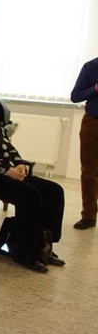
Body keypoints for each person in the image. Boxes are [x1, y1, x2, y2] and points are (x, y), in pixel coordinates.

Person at [0, 83, 66, 273]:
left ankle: (44, 246)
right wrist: (6, 170)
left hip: (5, 171)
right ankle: (24, 250)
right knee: (29, 194)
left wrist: (19, 164)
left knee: (54, 190)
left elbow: (8, 148)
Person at [71, 57, 98, 230]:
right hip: (92, 124)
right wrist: (94, 88)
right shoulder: (90, 67)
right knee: (89, 172)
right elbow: (75, 96)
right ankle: (88, 215)